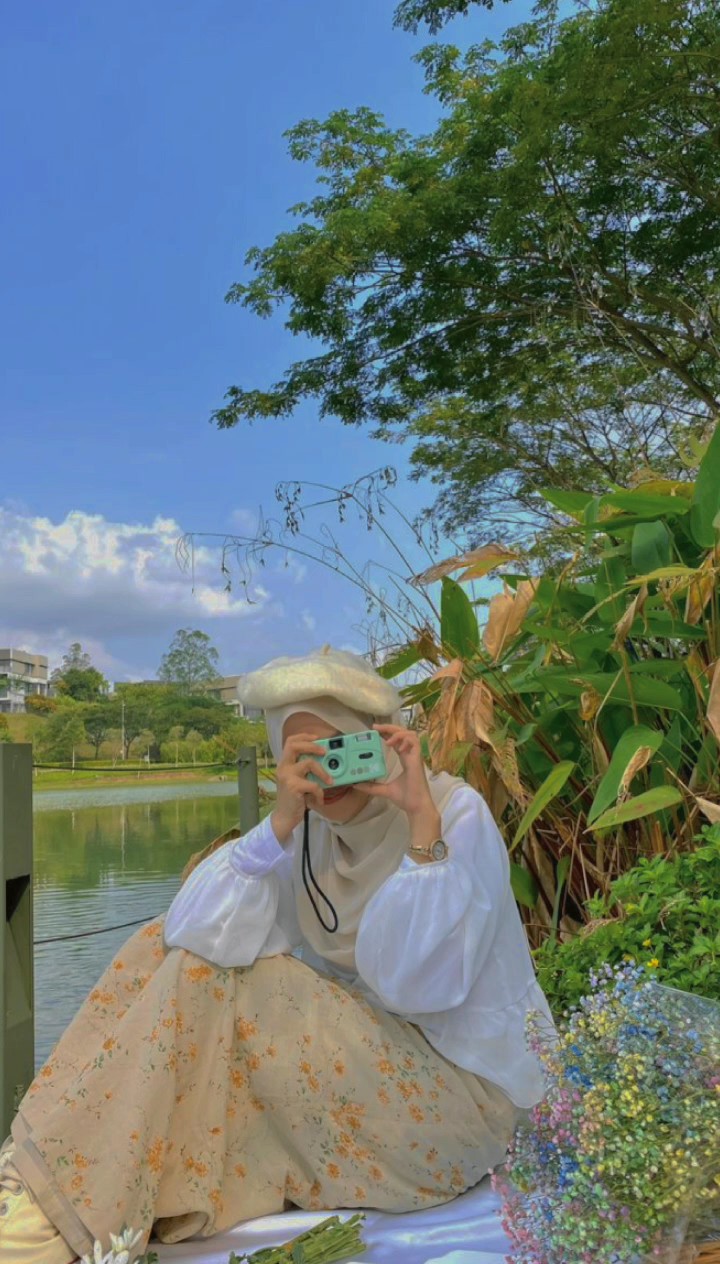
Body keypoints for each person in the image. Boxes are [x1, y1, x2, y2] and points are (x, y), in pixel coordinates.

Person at [0, 647, 555, 1264]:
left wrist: (420, 820)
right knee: (162, 946)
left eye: (342, 747)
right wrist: (278, 825)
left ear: (378, 738)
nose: (330, 773)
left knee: (257, 983)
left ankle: (70, 1212)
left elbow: (418, 987)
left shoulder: (454, 812)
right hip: (372, 1085)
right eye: (306, 757)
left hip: (464, 1108)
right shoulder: (310, 836)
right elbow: (190, 931)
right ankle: (43, 1174)